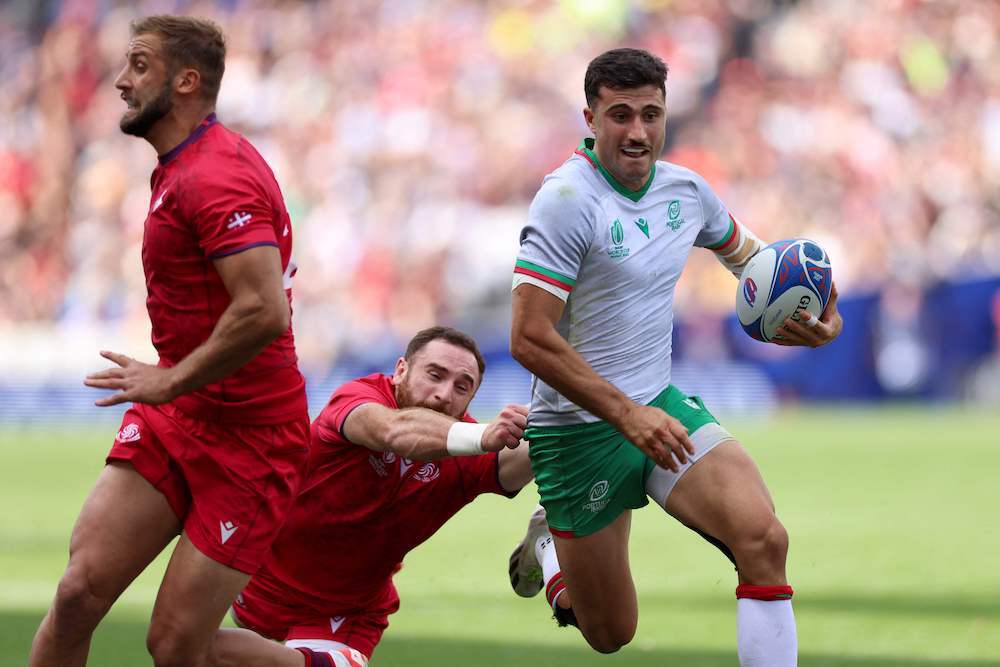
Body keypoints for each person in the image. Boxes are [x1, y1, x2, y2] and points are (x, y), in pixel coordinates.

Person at [506, 48, 843, 665]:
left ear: (666, 115)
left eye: (651, 115)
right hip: (580, 431)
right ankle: (553, 552)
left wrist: (822, 309)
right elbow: (528, 338)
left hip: (660, 407)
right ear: (591, 117)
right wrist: (625, 416)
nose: (638, 132)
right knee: (611, 634)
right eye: (620, 115)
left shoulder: (686, 191)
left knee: (763, 537)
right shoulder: (564, 201)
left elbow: (756, 261)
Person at [29, 15, 311, 667]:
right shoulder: (181, 163)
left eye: (139, 65)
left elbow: (264, 310)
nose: (121, 81)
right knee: (77, 593)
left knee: (176, 645)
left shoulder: (218, 175)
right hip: (181, 415)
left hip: (253, 439)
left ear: (186, 81)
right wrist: (174, 389)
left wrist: (169, 378)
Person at [207, 326, 532, 667]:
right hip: (259, 577)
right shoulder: (359, 398)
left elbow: (531, 455)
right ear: (401, 370)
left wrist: (567, 419)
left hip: (347, 611)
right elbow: (394, 431)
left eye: (462, 387)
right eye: (434, 375)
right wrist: (484, 433)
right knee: (180, 643)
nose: (443, 393)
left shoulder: (467, 456)